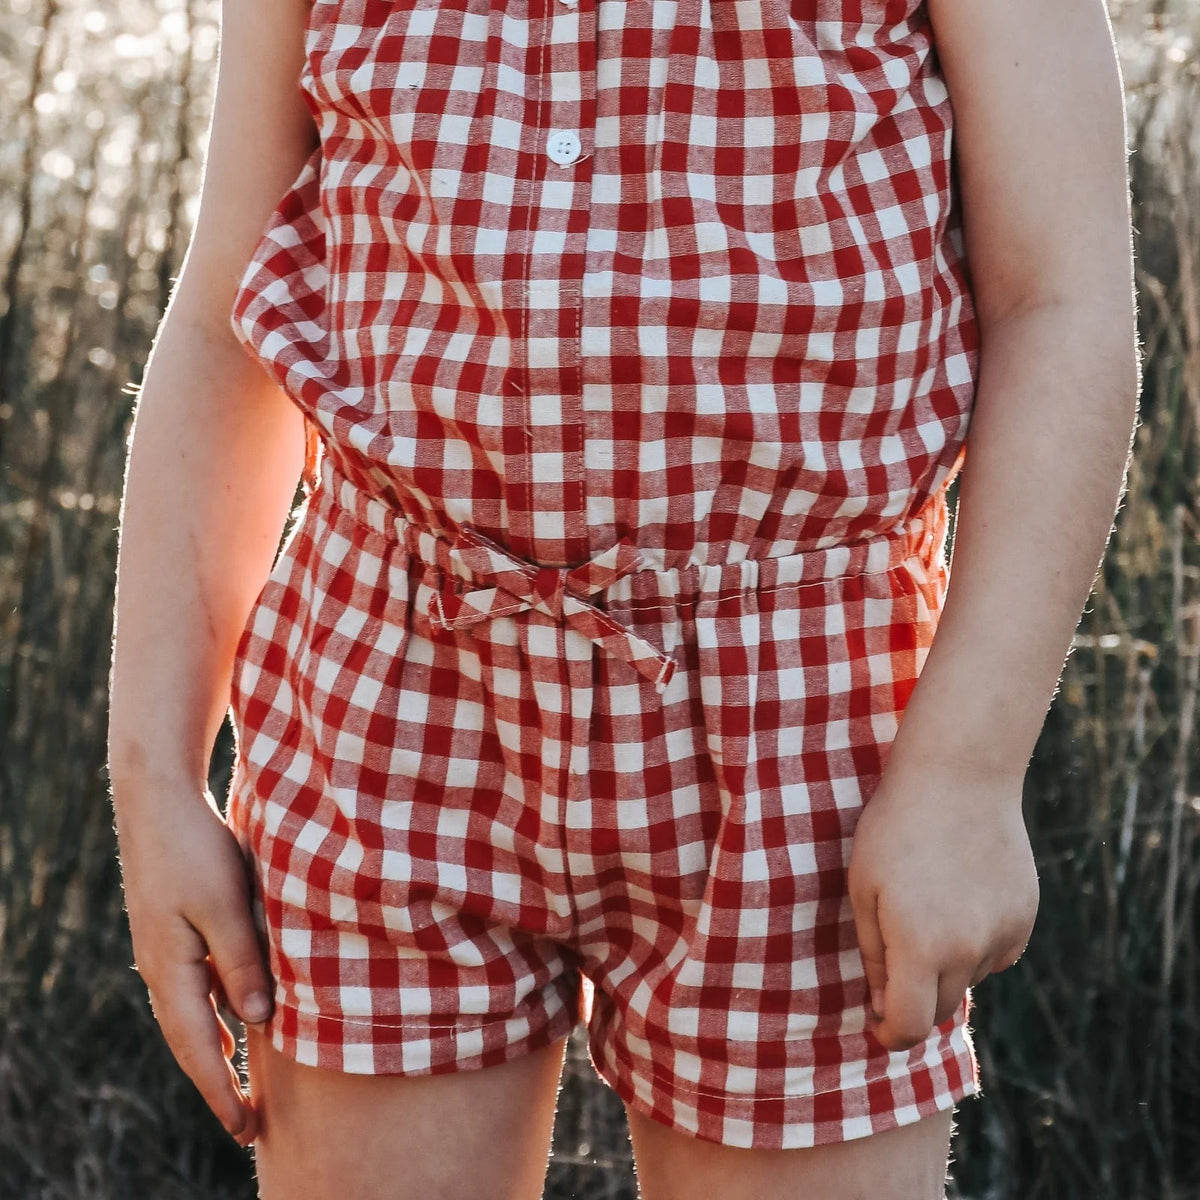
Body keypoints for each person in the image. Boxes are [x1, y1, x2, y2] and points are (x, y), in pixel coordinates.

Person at [106, 0, 1140, 1193]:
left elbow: (1059, 305)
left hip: (807, 728)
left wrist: (966, 772)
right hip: (390, 688)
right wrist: (157, 777)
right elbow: (227, 317)